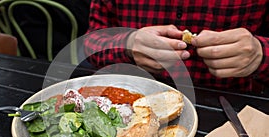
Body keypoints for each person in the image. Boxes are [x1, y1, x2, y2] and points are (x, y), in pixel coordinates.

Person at [83, 0, 269, 93]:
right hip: (133, 99)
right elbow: (93, 40)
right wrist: (127, 44)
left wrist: (260, 55)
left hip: (230, 112)